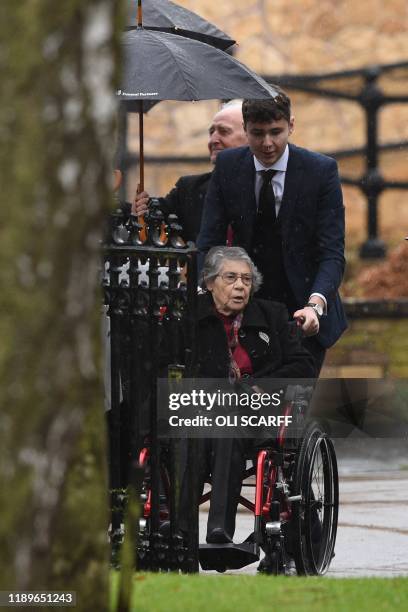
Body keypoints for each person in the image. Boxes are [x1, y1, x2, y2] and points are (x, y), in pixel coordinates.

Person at [196, 92, 348, 372]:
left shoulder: (320, 171)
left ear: (291, 125)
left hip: (303, 312)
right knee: (246, 410)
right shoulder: (229, 166)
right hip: (246, 308)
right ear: (245, 129)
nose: (267, 144)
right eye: (258, 134)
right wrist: (208, 292)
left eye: (276, 132)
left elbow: (332, 253)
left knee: (292, 407)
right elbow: (209, 242)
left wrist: (316, 305)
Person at [175, 246, 315, 545]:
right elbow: (166, 363)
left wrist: (263, 384)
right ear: (210, 282)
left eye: (247, 280)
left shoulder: (272, 314)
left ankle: (219, 531)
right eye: (231, 278)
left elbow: (302, 363)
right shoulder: (188, 316)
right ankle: (181, 532)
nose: (240, 286)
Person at [132, 101, 247, 242]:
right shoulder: (189, 189)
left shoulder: (265, 185)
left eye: (224, 131)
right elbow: (155, 221)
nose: (213, 140)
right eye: (211, 132)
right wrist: (141, 210)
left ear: (250, 136)